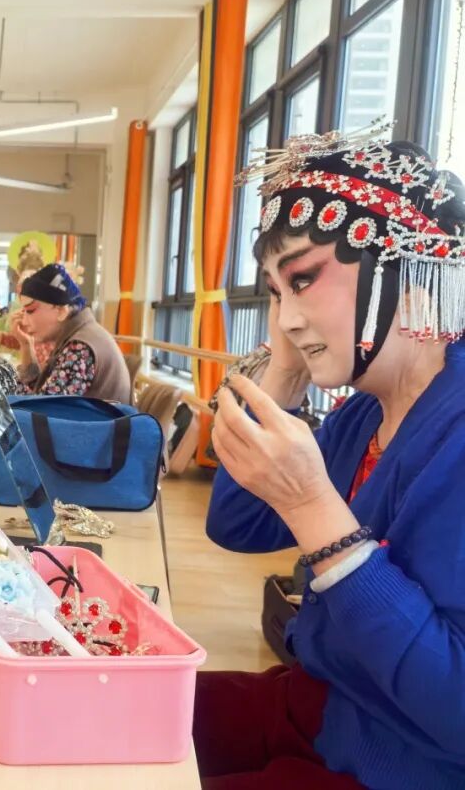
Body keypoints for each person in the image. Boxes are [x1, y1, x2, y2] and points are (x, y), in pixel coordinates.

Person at [199, 133, 465, 789]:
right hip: (318, 708)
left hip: (397, 765)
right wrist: (287, 373)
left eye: (303, 280)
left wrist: (313, 508)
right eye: (275, 293)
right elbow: (237, 524)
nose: (286, 319)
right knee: (101, 708)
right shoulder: (365, 412)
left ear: (403, 266)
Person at [10, 264, 129, 402]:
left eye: (30, 311)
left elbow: (44, 408)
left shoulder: (80, 347)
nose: (24, 321)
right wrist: (26, 347)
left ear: (61, 311)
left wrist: (3, 377)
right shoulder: (80, 334)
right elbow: (41, 393)